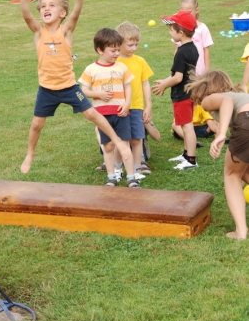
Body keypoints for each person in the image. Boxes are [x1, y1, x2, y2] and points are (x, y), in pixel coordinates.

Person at [15, 0, 131, 175]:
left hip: (69, 88)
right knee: (36, 124)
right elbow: (27, 17)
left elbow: (75, 16)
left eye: (52, 5)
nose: (46, 8)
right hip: (47, 89)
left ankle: (118, 141)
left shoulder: (65, 32)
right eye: (43, 6)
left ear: (62, 13)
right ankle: (30, 154)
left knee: (92, 114)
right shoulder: (38, 32)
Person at [186, 70, 249, 240]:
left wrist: (221, 134)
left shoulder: (212, 99)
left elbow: (226, 101)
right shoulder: (240, 97)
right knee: (242, 170)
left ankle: (241, 232)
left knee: (232, 175)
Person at [79, 28, 139, 188]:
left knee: (125, 144)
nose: (116, 53)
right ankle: (111, 176)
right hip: (102, 116)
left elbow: (128, 87)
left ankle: (131, 177)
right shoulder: (91, 69)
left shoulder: (121, 68)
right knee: (108, 146)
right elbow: (83, 91)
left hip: (121, 114)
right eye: (113, 50)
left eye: (118, 50)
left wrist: (126, 105)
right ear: (100, 50)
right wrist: (98, 93)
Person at [152, 10, 199, 170]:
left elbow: (178, 77)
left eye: (171, 29)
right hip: (189, 92)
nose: (170, 31)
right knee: (186, 125)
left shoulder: (181, 52)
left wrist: (164, 84)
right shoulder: (192, 48)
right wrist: (166, 80)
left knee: (187, 126)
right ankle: (186, 154)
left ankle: (191, 159)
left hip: (182, 95)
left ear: (181, 32)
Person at [114, 21, 154, 178]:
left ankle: (137, 169)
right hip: (119, 107)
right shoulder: (114, 62)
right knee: (121, 140)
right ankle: (117, 168)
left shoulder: (140, 61)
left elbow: (145, 84)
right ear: (119, 43)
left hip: (137, 106)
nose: (134, 48)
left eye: (136, 44)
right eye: (130, 45)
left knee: (137, 139)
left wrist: (148, 105)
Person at [171, 0, 214, 141]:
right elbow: (177, 49)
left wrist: (207, 71)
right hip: (185, 73)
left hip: (200, 71)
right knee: (186, 99)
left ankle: (206, 123)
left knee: (201, 98)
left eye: (189, 11)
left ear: (196, 10)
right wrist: (176, 68)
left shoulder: (202, 28)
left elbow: (206, 50)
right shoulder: (179, 29)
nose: (186, 14)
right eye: (182, 11)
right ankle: (189, 126)